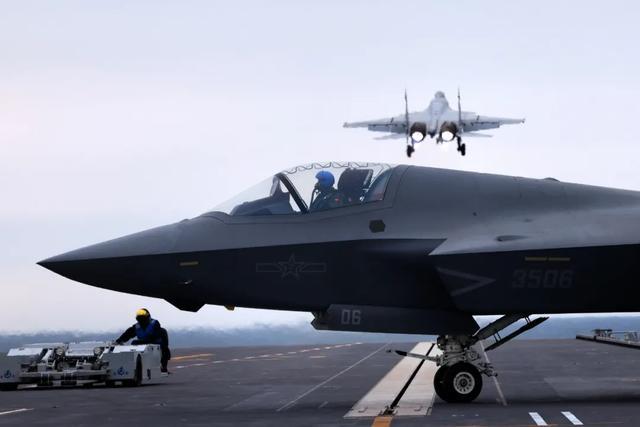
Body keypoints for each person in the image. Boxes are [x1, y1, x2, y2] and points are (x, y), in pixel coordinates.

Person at [115, 308, 171, 373]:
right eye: (139, 315)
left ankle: (164, 367)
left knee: (165, 349)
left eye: (142, 314)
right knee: (133, 343)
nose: (141, 316)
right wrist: (119, 340)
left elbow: (156, 334)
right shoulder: (136, 326)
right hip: (142, 343)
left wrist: (149, 339)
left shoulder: (155, 324)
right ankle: (133, 366)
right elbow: (127, 334)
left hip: (154, 342)